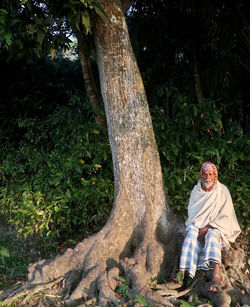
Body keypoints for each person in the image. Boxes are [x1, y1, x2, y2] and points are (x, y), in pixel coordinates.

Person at [169, 162, 241, 292]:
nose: (207, 177)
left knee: (212, 235)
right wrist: (199, 227)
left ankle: (216, 275)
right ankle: (182, 273)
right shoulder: (196, 191)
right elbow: (192, 213)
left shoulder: (222, 190)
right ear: (201, 176)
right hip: (197, 225)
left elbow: (226, 215)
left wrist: (208, 227)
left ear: (215, 176)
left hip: (216, 227)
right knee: (191, 234)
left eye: (210, 175)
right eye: (205, 174)